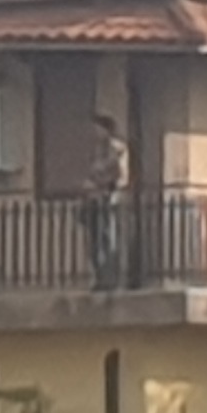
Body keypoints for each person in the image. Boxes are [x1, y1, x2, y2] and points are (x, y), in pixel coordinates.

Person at [84, 111, 133, 291]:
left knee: (110, 239)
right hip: (97, 200)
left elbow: (116, 173)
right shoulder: (98, 150)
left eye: (98, 129)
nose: (95, 133)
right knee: (96, 242)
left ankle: (112, 278)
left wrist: (99, 179)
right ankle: (100, 278)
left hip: (111, 199)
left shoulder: (116, 149)